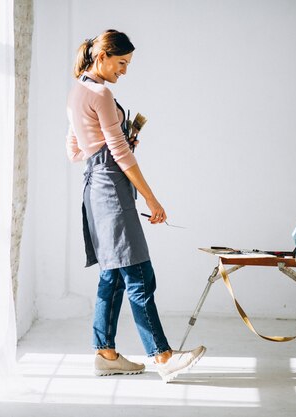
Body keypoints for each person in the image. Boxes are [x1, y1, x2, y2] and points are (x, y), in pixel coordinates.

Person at [65, 29, 205, 382]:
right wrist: (152, 198)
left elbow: (75, 151)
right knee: (139, 274)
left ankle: (106, 354)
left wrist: (110, 147)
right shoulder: (102, 93)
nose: (124, 70)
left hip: (94, 186)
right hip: (112, 188)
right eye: (121, 63)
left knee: (112, 274)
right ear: (102, 57)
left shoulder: (76, 91)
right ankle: (163, 357)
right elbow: (119, 153)